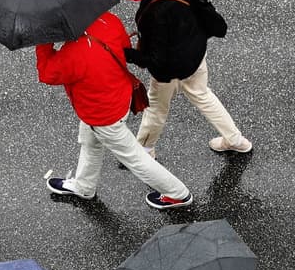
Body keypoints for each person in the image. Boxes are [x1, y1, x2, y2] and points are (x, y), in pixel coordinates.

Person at [37, 12, 193, 210]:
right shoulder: (107, 20)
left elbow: (46, 73)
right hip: (119, 98)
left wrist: (44, 41)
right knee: (89, 141)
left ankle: (178, 194)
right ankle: (84, 186)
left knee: (134, 158)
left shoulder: (72, 54)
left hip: (101, 114)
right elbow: (125, 48)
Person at [125, 0, 251, 157]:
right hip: (195, 55)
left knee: (156, 107)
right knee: (202, 94)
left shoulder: (155, 12)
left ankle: (144, 150)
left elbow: (156, 61)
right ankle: (236, 140)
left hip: (170, 70)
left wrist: (127, 53)